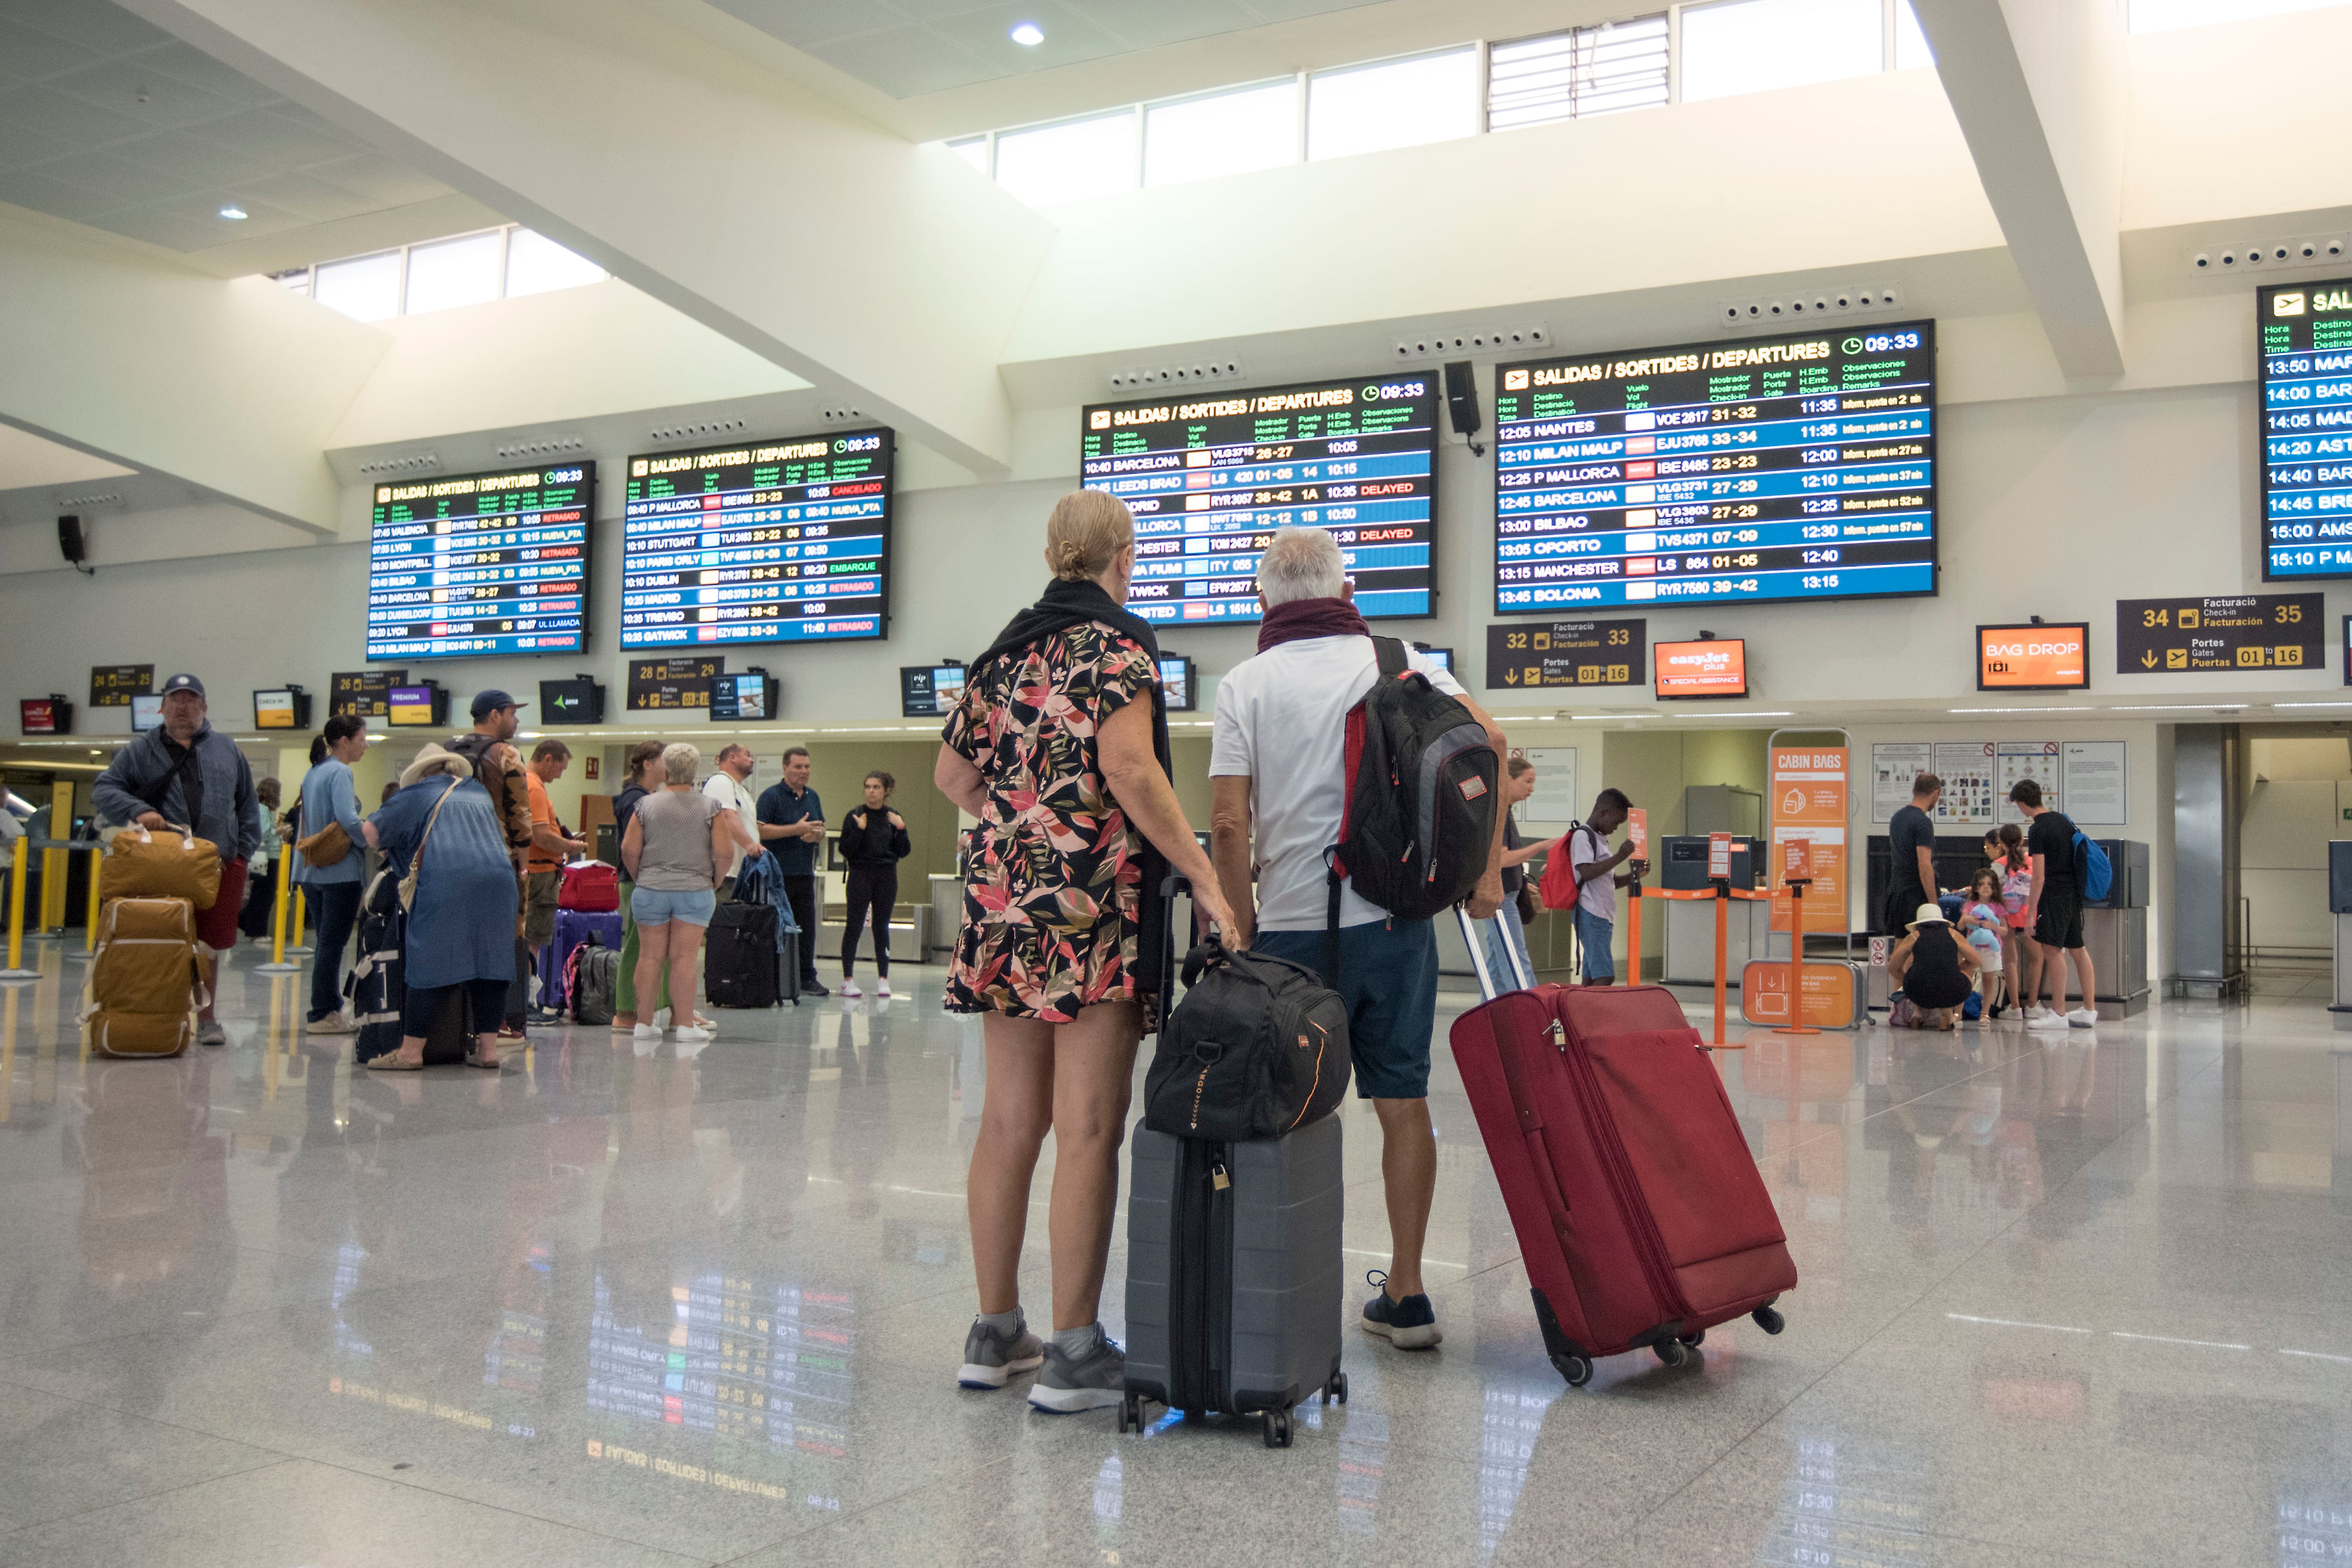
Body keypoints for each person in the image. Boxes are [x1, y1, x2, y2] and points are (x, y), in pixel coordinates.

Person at [938, 489, 1234, 1413]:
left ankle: (995, 1331)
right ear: (1125, 554)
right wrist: (1206, 875)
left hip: (1001, 909)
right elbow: (1130, 767)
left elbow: (952, 775)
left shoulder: (1001, 653)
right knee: (1089, 1126)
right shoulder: (1115, 644)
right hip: (1092, 911)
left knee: (1005, 1122)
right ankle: (1072, 1349)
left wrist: (1023, 834)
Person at [1209, 524, 1505, 1359]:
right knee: (1401, 1102)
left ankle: (1274, 1281)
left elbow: (1230, 822)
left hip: (1292, 932)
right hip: (1395, 920)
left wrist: (1242, 935)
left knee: (1278, 1109)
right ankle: (1408, 1293)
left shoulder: (1246, 682)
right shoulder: (1402, 657)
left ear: (1263, 599)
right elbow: (1491, 743)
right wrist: (1482, 877)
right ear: (1346, 591)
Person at [91, 673, 259, 1048]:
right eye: (175, 701)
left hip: (219, 863)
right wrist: (137, 809)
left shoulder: (226, 749)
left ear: (204, 708)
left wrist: (242, 854)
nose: (183, 708)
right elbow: (104, 788)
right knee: (163, 937)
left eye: (191, 701)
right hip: (162, 866)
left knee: (210, 945)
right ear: (162, 707)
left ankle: (208, 1017)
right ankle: (161, 1013)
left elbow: (247, 804)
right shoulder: (141, 750)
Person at [359, 744, 518, 1070]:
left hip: (449, 881)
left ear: (423, 774)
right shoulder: (479, 793)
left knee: (430, 962)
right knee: (491, 966)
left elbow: (371, 832)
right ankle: (487, 1052)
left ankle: (410, 1053)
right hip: (500, 883)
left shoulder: (419, 792)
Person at [622, 744, 735, 1048]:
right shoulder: (710, 808)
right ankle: (685, 1025)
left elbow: (629, 850)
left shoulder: (645, 806)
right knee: (684, 959)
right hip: (694, 890)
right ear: (696, 772)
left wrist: (642, 877)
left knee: (649, 957)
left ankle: (644, 1024)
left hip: (650, 889)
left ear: (666, 770)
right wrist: (714, 881)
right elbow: (725, 852)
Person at [447, 690, 536, 1041]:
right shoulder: (506, 754)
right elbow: (520, 815)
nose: (516, 721)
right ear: (495, 715)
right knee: (503, 942)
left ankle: (457, 1016)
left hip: (452, 859)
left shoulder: (448, 751)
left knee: (460, 938)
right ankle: (497, 1020)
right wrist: (524, 868)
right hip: (498, 860)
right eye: (513, 714)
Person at [611, 739, 694, 1033]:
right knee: (638, 947)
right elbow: (632, 847)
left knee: (667, 949)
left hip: (653, 882)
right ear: (647, 764)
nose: (668, 767)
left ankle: (673, 1010)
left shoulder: (649, 796)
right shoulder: (634, 799)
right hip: (639, 882)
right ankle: (625, 1012)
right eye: (663, 760)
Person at [293, 716, 369, 1033]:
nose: (365, 744)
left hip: (311, 872)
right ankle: (323, 1012)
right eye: (363, 738)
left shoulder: (315, 772)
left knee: (326, 942)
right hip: (339, 873)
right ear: (344, 741)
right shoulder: (340, 771)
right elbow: (348, 819)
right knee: (333, 943)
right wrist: (372, 842)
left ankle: (328, 1006)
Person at [2013, 779, 2096, 1031]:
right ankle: (2089, 1011)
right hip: (2073, 893)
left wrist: (2030, 915)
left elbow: (2039, 877)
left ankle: (2059, 1014)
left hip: (2054, 894)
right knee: (2078, 950)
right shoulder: (2063, 821)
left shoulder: (2038, 830)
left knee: (2052, 951)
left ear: (2022, 803)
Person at [522, 738, 589, 1024]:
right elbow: (539, 836)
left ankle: (523, 1000)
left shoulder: (530, 784)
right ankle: (525, 1002)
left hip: (537, 871)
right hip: (540, 876)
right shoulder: (534, 786)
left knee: (529, 939)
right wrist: (570, 847)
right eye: (560, 768)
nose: (560, 775)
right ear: (548, 759)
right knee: (532, 941)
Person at [755, 746, 827, 997]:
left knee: (807, 928)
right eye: (798, 767)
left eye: (807, 767)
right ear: (785, 768)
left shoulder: (812, 796)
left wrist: (816, 834)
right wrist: (795, 830)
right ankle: (772, 977)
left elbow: (820, 828)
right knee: (776, 927)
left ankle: (807, 977)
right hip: (776, 877)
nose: (804, 772)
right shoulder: (771, 796)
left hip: (804, 874)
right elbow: (761, 831)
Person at [837, 770, 911, 1000]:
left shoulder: (893, 817)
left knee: (881, 926)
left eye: (876, 787)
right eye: (868, 787)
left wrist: (901, 829)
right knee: (855, 926)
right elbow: (845, 849)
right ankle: (848, 979)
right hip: (860, 875)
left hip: (886, 876)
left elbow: (904, 851)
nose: (871, 791)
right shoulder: (855, 815)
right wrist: (859, 830)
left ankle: (884, 979)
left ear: (886, 791)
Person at [1563, 789, 1645, 986]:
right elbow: (1587, 873)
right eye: (1616, 822)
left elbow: (1610, 882)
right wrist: (1619, 857)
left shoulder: (1601, 839)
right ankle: (1593, 1016)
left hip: (1602, 916)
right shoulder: (1583, 836)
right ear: (1603, 813)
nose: (1616, 828)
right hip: (1591, 914)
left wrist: (1635, 876)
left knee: (1591, 977)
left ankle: (1581, 1014)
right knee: (1605, 976)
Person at [1483, 757, 1544, 990]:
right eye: (1527, 781)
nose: (1531, 788)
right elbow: (1501, 859)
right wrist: (1541, 846)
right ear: (1509, 779)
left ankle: (1489, 1013)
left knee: (1498, 964)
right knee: (1515, 957)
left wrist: (1521, 881)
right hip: (1501, 897)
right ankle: (1530, 1009)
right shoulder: (1498, 814)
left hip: (1508, 892)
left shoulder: (1505, 813)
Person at [1887, 902, 1983, 1030]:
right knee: (1967, 974)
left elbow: (1893, 968)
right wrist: (1957, 970)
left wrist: (1908, 981)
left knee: (1914, 970)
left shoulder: (1914, 936)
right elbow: (1977, 961)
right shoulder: (1954, 935)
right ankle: (1947, 1015)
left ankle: (1917, 1015)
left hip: (1918, 994)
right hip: (1954, 992)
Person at [701, 744, 766, 901]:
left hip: (741, 874)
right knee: (723, 924)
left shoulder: (740, 789)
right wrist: (751, 846)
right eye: (748, 755)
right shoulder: (720, 782)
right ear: (733, 757)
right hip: (725, 875)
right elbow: (726, 817)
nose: (752, 760)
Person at [1885, 773, 1941, 938]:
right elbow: (1924, 866)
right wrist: (1934, 903)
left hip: (1897, 889)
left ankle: (1894, 966)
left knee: (1901, 943)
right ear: (1936, 794)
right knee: (1916, 943)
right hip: (1915, 894)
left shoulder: (1897, 818)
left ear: (1914, 791)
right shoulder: (1923, 823)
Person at [1959, 868, 2009, 1021]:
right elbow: (1960, 926)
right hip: (1972, 949)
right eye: (1982, 884)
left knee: (1988, 981)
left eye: (1989, 884)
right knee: (1966, 979)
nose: (1986, 887)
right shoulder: (1970, 905)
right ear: (1975, 887)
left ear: (1995, 888)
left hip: (1991, 951)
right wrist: (1968, 920)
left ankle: (1985, 1013)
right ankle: (1958, 1013)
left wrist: (1992, 926)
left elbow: (2005, 931)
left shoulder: (1999, 907)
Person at [1996, 822, 2034, 1014]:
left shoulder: (1999, 865)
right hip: (2029, 915)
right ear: (2022, 841)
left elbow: (1994, 892)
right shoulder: (2033, 862)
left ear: (2000, 843)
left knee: (2010, 960)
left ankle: (2015, 1007)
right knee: (2037, 957)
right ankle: (2034, 1005)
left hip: (2006, 916)